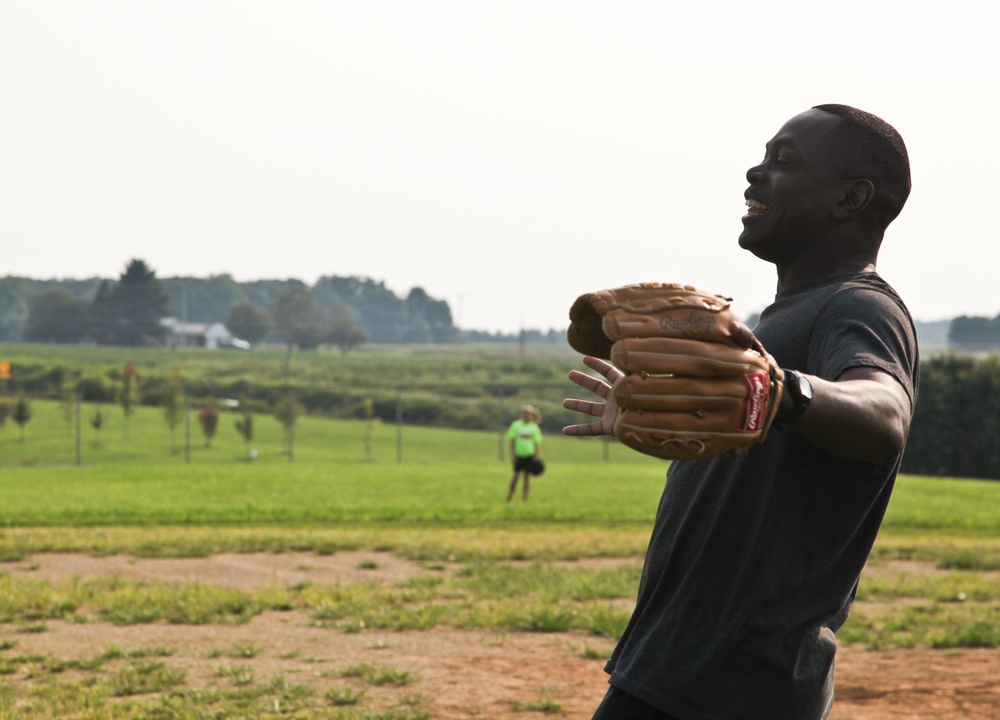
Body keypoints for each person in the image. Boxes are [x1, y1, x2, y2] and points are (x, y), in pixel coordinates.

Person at [563, 104, 919, 720]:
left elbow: (885, 414)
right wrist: (654, 417)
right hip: (690, 668)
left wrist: (781, 391)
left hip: (731, 682)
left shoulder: (858, 306)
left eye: (784, 161)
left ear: (850, 198)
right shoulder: (784, 318)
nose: (755, 173)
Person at [506, 404, 543, 501]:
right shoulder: (516, 425)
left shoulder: (534, 427)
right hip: (519, 455)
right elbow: (512, 441)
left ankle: (525, 496)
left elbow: (537, 443)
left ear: (532, 415)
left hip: (529, 455)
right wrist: (512, 454)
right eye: (524, 413)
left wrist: (537, 456)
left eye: (528, 414)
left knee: (527, 476)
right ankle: (510, 495)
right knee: (516, 475)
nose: (526, 416)